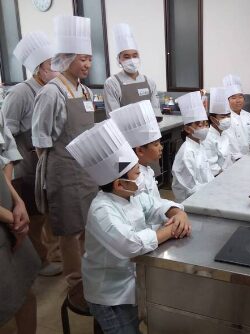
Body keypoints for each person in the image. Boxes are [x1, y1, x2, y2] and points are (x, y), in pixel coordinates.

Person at [66, 119, 191, 333]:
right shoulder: (102, 211)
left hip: (130, 282)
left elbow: (155, 205)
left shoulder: (130, 195)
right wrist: (169, 230)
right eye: (136, 174)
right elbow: (129, 245)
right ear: (119, 183)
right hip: (108, 294)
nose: (141, 177)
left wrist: (178, 212)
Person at [31, 15, 98, 288]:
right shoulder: (51, 92)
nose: (87, 64)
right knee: (69, 230)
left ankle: (91, 275)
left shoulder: (85, 92)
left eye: (89, 59)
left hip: (86, 169)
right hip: (63, 170)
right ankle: (75, 284)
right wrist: (56, 168)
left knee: (88, 225)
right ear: (66, 57)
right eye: (82, 59)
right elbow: (40, 139)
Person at [2, 31, 62, 276]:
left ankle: (52, 252)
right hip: (27, 166)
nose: (56, 68)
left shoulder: (55, 88)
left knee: (47, 211)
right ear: (38, 68)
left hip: (48, 163)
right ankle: (40, 261)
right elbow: (7, 133)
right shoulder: (20, 93)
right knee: (34, 216)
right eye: (52, 65)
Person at [110, 100, 187, 226]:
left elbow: (155, 204)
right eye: (156, 144)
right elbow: (143, 215)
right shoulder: (135, 179)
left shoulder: (147, 170)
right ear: (140, 150)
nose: (161, 147)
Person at [0, 113, 41, 334]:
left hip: (8, 211)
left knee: (25, 290)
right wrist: (11, 219)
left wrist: (18, 201)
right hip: (7, 219)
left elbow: (3, 161)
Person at [103, 23, 163, 121]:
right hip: (125, 134)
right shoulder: (112, 83)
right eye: (126, 57)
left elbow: (155, 113)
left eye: (135, 56)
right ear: (119, 60)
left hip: (149, 132)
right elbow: (113, 117)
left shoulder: (149, 82)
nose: (132, 60)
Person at [171, 91, 214, 202]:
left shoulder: (199, 145)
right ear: (187, 129)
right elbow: (191, 189)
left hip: (206, 194)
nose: (204, 128)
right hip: (190, 203)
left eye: (205, 124)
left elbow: (208, 175)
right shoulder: (186, 153)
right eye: (199, 124)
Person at [222, 74, 250, 161]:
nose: (238, 100)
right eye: (233, 98)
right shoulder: (224, 118)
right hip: (231, 161)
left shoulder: (249, 116)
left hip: (249, 158)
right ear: (228, 100)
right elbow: (226, 144)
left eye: (240, 97)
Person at [202, 87, 233, 176]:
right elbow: (212, 168)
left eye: (228, 116)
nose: (227, 119)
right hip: (218, 178)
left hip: (228, 174)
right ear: (213, 118)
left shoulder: (225, 132)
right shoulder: (207, 137)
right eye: (223, 117)